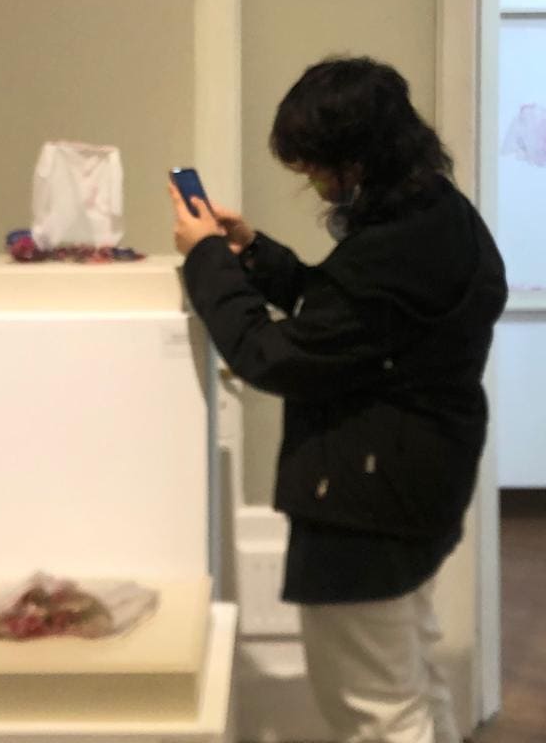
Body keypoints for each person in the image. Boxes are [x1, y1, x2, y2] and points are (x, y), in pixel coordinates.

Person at [168, 56, 508, 743]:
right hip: (419, 485)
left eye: (319, 168)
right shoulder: (440, 215)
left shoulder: (389, 254)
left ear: (359, 158)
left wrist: (206, 259)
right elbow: (349, 316)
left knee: (376, 712)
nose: (316, 184)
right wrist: (251, 252)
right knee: (413, 683)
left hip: (367, 506)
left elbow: (271, 355)